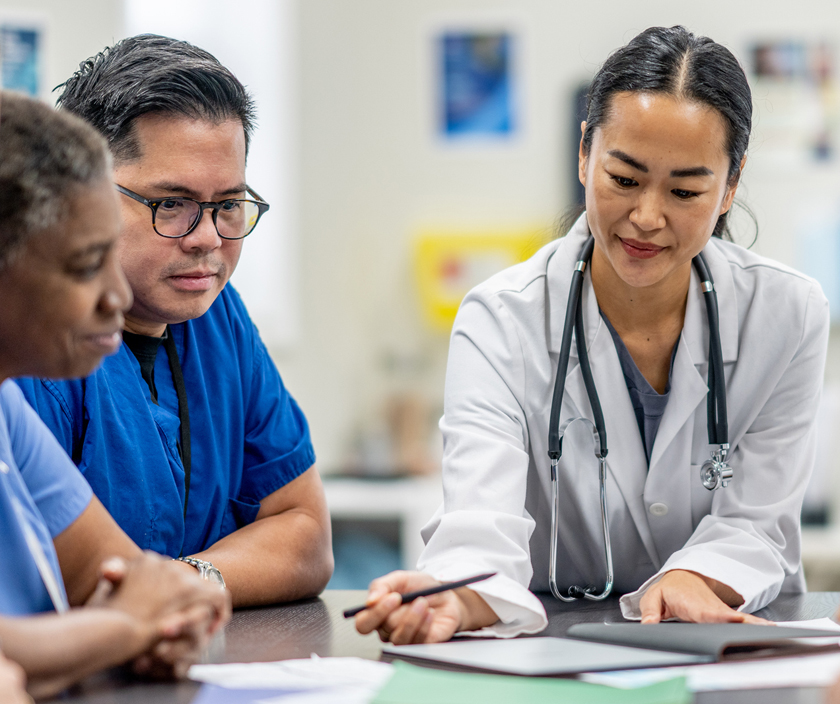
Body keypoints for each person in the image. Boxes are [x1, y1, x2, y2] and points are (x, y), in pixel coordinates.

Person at [354, 25, 830, 644]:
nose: (648, 217)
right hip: (560, 649)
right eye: (624, 179)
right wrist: (459, 596)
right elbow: (480, 521)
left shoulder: (788, 314)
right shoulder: (500, 320)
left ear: (730, 186)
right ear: (584, 155)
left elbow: (759, 520)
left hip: (727, 642)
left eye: (685, 190)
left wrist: (696, 575)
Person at [17, 35, 332, 607]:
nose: (208, 239)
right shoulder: (32, 345)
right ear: (83, 196)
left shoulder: (218, 320)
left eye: (228, 205)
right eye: (172, 204)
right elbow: (56, 582)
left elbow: (306, 536)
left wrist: (188, 583)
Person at [0, 91, 229, 698]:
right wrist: (125, 627)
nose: (118, 298)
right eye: (84, 266)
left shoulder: (6, 415)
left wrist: (154, 618)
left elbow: (131, 580)